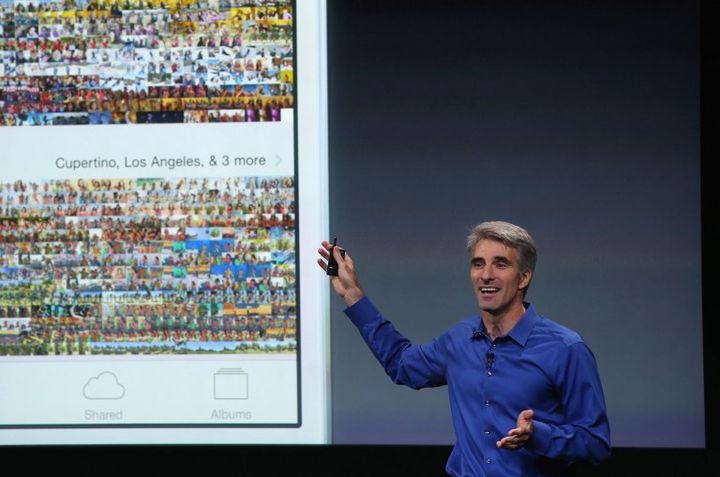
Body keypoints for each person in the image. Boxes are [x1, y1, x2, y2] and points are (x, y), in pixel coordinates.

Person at [317, 221, 610, 477]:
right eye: (478, 263)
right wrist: (354, 296)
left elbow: (595, 444)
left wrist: (538, 435)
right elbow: (402, 365)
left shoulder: (565, 349)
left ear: (524, 277)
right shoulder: (459, 340)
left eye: (501, 264)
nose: (486, 275)